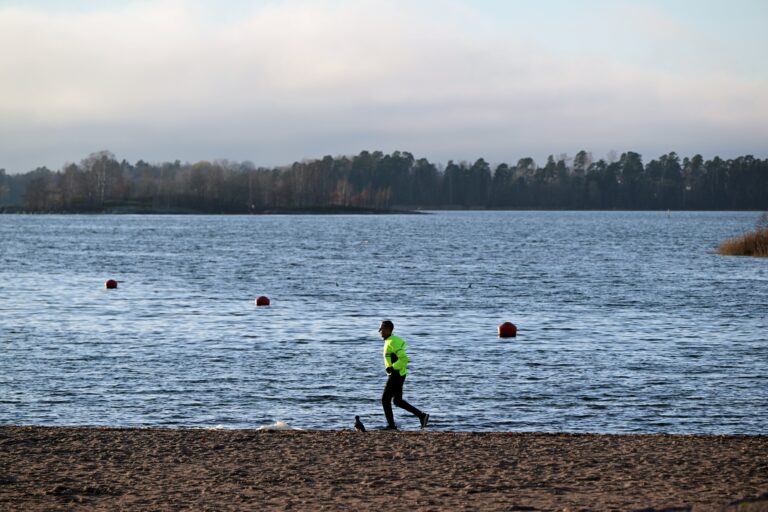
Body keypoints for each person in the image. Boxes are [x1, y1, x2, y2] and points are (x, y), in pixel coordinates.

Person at [378, 320, 429, 430]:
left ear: (388, 329)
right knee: (397, 401)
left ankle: (391, 426)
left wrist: (393, 367)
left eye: (381, 329)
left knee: (385, 399)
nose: (380, 331)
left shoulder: (392, 342)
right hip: (399, 374)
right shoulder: (391, 340)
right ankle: (422, 416)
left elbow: (404, 359)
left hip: (396, 374)